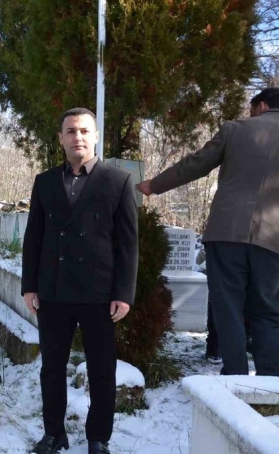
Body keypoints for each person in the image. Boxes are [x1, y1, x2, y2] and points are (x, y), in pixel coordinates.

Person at [137, 87, 279, 377]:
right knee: (268, 312)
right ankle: (271, 383)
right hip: (273, 240)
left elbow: (196, 164)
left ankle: (235, 377)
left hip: (226, 233)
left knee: (228, 308)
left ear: (262, 106)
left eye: (251, 109)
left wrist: (154, 185)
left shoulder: (234, 130)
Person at [22, 108, 138, 454]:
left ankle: (98, 437)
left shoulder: (118, 181)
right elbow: (34, 237)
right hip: (54, 290)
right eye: (71, 131)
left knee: (102, 370)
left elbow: (128, 243)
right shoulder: (45, 182)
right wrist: (30, 285)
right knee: (51, 368)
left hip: (99, 292)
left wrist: (123, 292)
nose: (78, 137)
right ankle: (53, 433)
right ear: (61, 138)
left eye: (85, 131)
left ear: (96, 136)